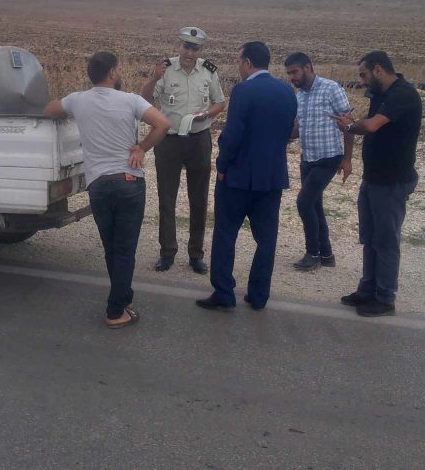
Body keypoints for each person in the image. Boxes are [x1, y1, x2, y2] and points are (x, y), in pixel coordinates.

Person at [44, 51, 170, 329]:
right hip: (128, 182)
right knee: (124, 249)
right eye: (119, 68)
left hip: (98, 186)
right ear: (112, 72)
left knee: (112, 248)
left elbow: (50, 110)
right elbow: (163, 124)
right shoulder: (130, 100)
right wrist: (142, 148)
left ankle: (123, 298)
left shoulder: (77, 100)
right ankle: (115, 311)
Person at [195, 42, 297, 312]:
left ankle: (224, 293)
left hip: (238, 177)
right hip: (272, 177)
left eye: (239, 61)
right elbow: (290, 130)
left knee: (225, 234)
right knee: (267, 239)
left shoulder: (243, 90)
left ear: (248, 62)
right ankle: (259, 295)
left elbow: (233, 134)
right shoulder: (287, 90)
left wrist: (221, 165)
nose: (238, 65)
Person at [333, 51, 422, 317]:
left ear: (378, 69)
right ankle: (367, 290)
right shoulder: (381, 94)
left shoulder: (402, 95)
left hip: (391, 181)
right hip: (373, 178)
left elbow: (372, 126)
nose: (361, 81)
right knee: (370, 238)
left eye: (364, 75)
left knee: (386, 240)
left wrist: (349, 127)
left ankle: (385, 297)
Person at [139, 26, 226, 274]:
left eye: (194, 48)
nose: (189, 53)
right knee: (167, 198)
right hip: (169, 141)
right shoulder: (165, 69)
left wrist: (207, 113)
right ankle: (167, 252)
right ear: (180, 46)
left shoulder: (208, 71)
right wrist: (153, 78)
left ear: (201, 50)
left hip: (199, 139)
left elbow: (220, 102)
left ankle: (196, 254)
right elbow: (144, 100)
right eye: (186, 47)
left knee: (199, 199)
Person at [284, 52, 354, 271]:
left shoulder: (331, 88)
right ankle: (326, 254)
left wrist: (347, 159)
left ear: (308, 67)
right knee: (314, 205)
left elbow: (349, 124)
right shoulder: (300, 96)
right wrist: (279, 135)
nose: (292, 77)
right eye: (289, 74)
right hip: (308, 158)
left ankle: (312, 253)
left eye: (295, 72)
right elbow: (299, 128)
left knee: (303, 203)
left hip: (329, 157)